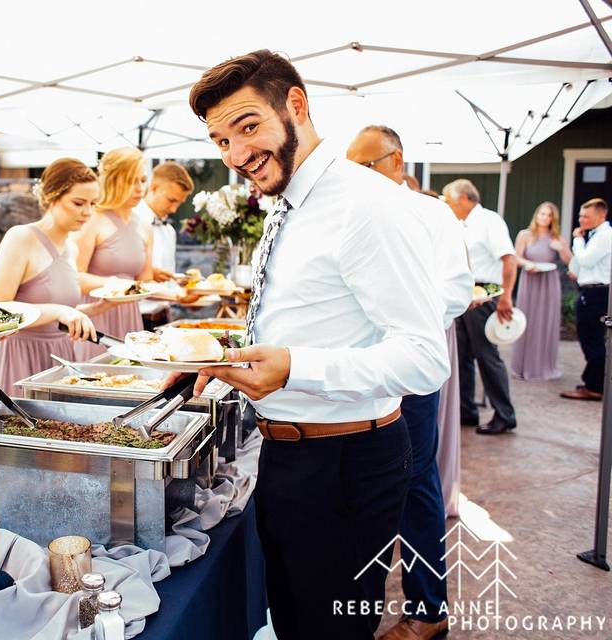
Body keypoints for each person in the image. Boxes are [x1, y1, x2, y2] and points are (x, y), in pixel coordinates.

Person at [186, 50, 449, 639]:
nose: (236, 155)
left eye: (248, 127)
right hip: (290, 457)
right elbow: (314, 321)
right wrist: (232, 356)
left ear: (296, 105)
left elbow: (426, 357)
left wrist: (294, 367)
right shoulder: (291, 199)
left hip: (345, 465)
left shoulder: (364, 205)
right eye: (221, 141)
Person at [347, 125, 472, 640]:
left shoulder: (431, 214)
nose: (355, 178)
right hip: (353, 373)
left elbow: (457, 290)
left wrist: (400, 321)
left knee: (414, 481)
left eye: (366, 167)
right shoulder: (350, 214)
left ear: (396, 161)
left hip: (407, 369)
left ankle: (428, 610)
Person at [0, 158, 117, 391]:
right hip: (21, 357)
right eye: (78, 203)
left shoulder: (70, 248)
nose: (87, 212)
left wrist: (93, 310)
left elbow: (56, 316)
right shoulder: (21, 238)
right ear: (52, 197)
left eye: (93, 203)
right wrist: (60, 311)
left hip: (61, 358)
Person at [445, 179, 519, 435]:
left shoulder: (489, 221)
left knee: (487, 356)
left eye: (450, 201)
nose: (448, 205)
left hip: (487, 294)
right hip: (465, 295)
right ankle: (466, 410)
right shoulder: (459, 224)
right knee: (462, 356)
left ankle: (504, 414)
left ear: (464, 199)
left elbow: (509, 259)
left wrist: (506, 297)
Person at [74, 147, 154, 360]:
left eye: (143, 180)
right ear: (113, 181)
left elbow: (146, 282)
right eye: (131, 181)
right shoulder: (91, 220)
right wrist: (116, 285)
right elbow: (75, 277)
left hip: (130, 317)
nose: (140, 189)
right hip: (94, 315)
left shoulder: (146, 228)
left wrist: (180, 295)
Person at [511, 202, 572, 381]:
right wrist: (528, 264)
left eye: (549, 215)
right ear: (537, 215)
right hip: (530, 280)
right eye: (542, 214)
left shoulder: (558, 238)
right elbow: (515, 257)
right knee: (527, 320)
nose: (545, 217)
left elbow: (569, 260)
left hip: (548, 282)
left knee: (546, 322)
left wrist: (561, 248)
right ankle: (523, 366)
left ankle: (544, 366)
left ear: (554, 219)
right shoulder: (525, 235)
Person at [561, 198, 610, 401]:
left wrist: (577, 240)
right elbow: (581, 265)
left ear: (601, 216)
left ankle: (595, 386)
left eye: (586, 216)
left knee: (593, 339)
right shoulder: (596, 235)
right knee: (589, 337)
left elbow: (586, 259)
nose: (581, 219)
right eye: (580, 215)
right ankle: (594, 380)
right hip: (591, 289)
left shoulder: (604, 236)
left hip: (597, 293)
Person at [134, 161, 195, 324]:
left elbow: (169, 282)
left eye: (179, 203)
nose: (174, 209)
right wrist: (148, 273)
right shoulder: (130, 222)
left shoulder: (169, 231)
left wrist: (186, 293)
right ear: (153, 188)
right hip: (135, 317)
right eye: (171, 200)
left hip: (164, 316)